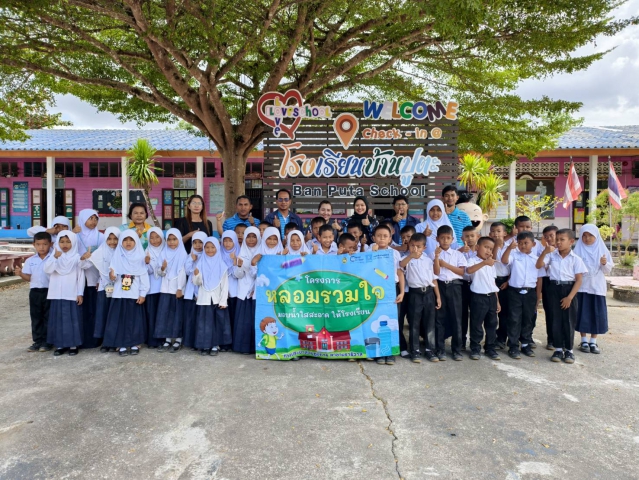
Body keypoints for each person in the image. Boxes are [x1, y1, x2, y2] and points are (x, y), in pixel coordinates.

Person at [536, 229, 586, 364]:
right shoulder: (551, 256)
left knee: (569, 321)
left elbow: (579, 280)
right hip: (554, 289)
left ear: (571, 241)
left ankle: (569, 350)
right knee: (556, 320)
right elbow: (538, 265)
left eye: (562, 239)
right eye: (557, 239)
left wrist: (570, 297)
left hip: (569, 289)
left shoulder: (576, 259)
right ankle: (558, 349)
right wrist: (545, 252)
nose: (558, 242)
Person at [104, 230, 149, 357]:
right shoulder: (117, 257)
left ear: (136, 242)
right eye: (125, 240)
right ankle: (121, 344)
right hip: (120, 295)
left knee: (134, 320)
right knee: (120, 320)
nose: (128, 242)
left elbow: (144, 278)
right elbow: (112, 276)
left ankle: (135, 343)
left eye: (131, 240)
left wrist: (143, 294)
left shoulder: (141, 257)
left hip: (134, 295)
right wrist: (112, 276)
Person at [400, 233, 441, 363]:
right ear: (408, 245)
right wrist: (411, 256)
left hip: (429, 293)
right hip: (414, 294)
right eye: (412, 245)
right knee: (414, 323)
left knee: (429, 323)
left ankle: (430, 350)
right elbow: (401, 265)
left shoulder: (428, 260)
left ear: (424, 247)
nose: (415, 248)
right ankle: (415, 351)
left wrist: (438, 296)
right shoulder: (406, 258)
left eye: (418, 246)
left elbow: (434, 278)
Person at [501, 231, 542, 360]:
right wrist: (509, 248)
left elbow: (540, 278)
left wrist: (538, 297)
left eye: (526, 243)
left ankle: (525, 344)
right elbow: (504, 260)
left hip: (530, 293)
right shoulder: (514, 255)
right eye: (520, 243)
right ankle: (513, 345)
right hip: (514, 292)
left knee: (528, 318)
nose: (523, 245)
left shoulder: (537, 259)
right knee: (514, 319)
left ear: (533, 244)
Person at [43, 231, 85, 357]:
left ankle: (73, 345)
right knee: (58, 320)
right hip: (56, 294)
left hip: (71, 294)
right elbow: (47, 269)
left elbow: (81, 277)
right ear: (57, 243)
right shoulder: (54, 256)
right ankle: (60, 345)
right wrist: (55, 257)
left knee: (72, 320)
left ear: (74, 242)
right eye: (61, 242)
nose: (65, 244)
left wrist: (80, 293)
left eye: (68, 242)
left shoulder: (77, 258)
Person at [574, 225, 612, 355]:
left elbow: (607, 270)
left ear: (596, 236)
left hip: (597, 288)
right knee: (582, 313)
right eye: (584, 235)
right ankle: (584, 340)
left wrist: (604, 263)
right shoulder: (578, 250)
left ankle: (593, 341)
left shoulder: (602, 249)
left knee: (597, 314)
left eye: (590, 235)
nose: (587, 238)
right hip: (582, 287)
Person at [432, 225, 467, 361]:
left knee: (456, 318)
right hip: (440, 286)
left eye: (448, 238)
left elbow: (461, 272)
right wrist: (436, 258)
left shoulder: (458, 254)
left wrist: (445, 264)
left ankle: (456, 350)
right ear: (437, 239)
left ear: (452, 239)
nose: (445, 240)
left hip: (455, 287)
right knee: (439, 318)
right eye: (442, 238)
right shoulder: (433, 254)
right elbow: (436, 272)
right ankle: (440, 349)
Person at [370, 224, 404, 365]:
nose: (382, 238)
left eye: (385, 236)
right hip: (375, 290)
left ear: (390, 238)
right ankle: (379, 353)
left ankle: (390, 353)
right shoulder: (369, 251)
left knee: (392, 321)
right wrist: (373, 254)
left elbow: (400, 273)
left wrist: (402, 292)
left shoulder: (395, 253)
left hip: (392, 289)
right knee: (376, 320)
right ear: (374, 238)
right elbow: (366, 269)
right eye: (379, 236)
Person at [15, 231, 53, 352]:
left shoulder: (53, 258)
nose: (41, 247)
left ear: (50, 244)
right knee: (36, 316)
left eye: (45, 244)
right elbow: (29, 278)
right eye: (38, 244)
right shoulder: (30, 260)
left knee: (48, 316)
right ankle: (37, 341)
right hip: (35, 292)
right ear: (34, 245)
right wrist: (21, 274)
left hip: (49, 291)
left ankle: (47, 341)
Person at [192, 238, 231, 356]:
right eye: (207, 247)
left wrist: (223, 301)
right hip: (204, 299)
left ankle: (215, 345)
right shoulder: (200, 263)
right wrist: (197, 275)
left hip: (217, 299)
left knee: (216, 323)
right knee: (204, 324)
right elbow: (197, 283)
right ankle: (205, 345)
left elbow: (225, 285)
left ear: (217, 248)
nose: (210, 250)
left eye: (213, 247)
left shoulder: (221, 264)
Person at [465, 236, 501, 361]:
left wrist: (497, 301)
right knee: (476, 324)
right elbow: (469, 271)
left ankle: (490, 347)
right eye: (486, 247)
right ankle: (475, 348)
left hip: (491, 297)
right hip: (478, 297)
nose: (488, 251)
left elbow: (493, 283)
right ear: (477, 247)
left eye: (491, 249)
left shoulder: (491, 263)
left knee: (492, 324)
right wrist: (484, 263)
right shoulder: (472, 260)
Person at [87, 227, 120, 353]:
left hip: (118, 288)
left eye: (115, 239)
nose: (112, 242)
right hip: (103, 288)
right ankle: (106, 342)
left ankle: (115, 341)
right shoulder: (100, 252)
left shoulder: (122, 252)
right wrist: (84, 258)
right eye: (109, 239)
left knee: (115, 315)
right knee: (103, 314)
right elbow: (86, 265)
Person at [155, 228, 188, 353]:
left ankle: (178, 339)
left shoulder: (182, 254)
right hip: (165, 289)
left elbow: (182, 273)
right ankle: (168, 339)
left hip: (176, 290)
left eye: (174, 239)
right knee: (165, 314)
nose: (171, 242)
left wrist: (180, 288)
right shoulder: (163, 253)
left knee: (177, 315)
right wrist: (163, 268)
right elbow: (159, 273)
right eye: (169, 239)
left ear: (179, 240)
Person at [75, 209, 104, 349]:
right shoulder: (75, 236)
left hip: (95, 277)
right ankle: (81, 338)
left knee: (94, 309)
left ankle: (95, 339)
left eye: (95, 218)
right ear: (82, 219)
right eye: (90, 218)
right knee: (81, 310)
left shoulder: (101, 237)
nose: (93, 221)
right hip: (78, 277)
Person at [233, 226, 261, 354]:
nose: (251, 239)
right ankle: (243, 347)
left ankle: (256, 347)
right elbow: (238, 275)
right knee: (244, 321)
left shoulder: (262, 253)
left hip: (256, 291)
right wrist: (239, 267)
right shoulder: (241, 253)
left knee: (255, 320)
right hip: (243, 291)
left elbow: (261, 274)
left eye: (254, 237)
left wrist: (254, 263)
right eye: (248, 237)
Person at [182, 231, 208, 350]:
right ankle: (191, 342)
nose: (197, 245)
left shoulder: (207, 256)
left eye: (200, 242)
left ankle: (200, 342)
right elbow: (188, 271)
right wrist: (191, 260)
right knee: (191, 318)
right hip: (191, 292)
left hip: (201, 292)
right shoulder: (190, 256)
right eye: (195, 242)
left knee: (201, 319)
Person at [489, 222, 510, 349]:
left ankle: (502, 338)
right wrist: (496, 245)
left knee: (505, 313)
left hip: (506, 282)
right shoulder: (488, 247)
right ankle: (491, 340)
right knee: (492, 312)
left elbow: (514, 267)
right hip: (492, 281)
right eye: (493, 231)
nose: (495, 234)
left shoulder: (511, 247)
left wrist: (508, 281)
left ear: (505, 233)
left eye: (498, 231)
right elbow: (492, 259)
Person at [220, 231, 242, 351]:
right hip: (222, 292)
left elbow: (238, 275)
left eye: (230, 241)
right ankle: (224, 343)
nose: (227, 243)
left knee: (233, 318)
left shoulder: (240, 253)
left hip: (234, 291)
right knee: (223, 319)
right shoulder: (218, 253)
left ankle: (233, 343)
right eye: (225, 240)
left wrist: (234, 261)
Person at [144, 227, 165, 349]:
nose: (155, 240)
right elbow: (145, 271)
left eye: (157, 237)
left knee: (161, 315)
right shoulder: (146, 252)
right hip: (151, 289)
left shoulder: (166, 250)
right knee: (151, 314)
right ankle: (152, 341)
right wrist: (147, 263)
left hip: (164, 288)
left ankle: (162, 339)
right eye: (151, 238)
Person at [459, 225, 479, 350]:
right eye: (467, 236)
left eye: (472, 236)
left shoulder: (481, 251)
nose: (470, 239)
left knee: (476, 314)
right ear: (462, 238)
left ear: (478, 237)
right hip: (462, 285)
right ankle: (461, 341)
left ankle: (474, 343)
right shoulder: (458, 250)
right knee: (462, 314)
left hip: (476, 285)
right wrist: (461, 250)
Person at [540, 225, 559, 349]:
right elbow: (541, 265)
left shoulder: (566, 250)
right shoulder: (545, 251)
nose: (549, 239)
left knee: (563, 313)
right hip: (549, 283)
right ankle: (551, 340)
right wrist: (545, 252)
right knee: (550, 312)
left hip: (564, 284)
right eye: (546, 237)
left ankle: (563, 339)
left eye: (551, 235)